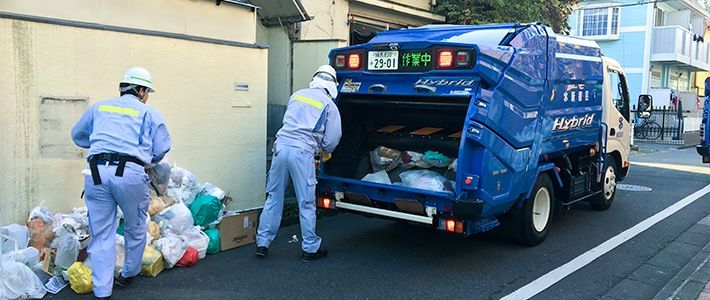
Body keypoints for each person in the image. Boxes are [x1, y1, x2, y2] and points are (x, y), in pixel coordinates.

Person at [71, 67, 171, 299]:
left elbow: (77, 135)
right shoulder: (149, 113)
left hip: (96, 172)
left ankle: (102, 290)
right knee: (135, 226)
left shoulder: (99, 107)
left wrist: (101, 146)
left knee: (101, 232)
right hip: (130, 173)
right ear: (141, 90)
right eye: (147, 92)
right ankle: (128, 273)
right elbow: (162, 147)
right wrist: (148, 158)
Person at [256, 65, 342, 261]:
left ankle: (262, 243)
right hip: (302, 154)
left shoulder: (297, 95)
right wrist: (324, 150)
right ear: (332, 86)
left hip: (280, 148)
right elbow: (332, 140)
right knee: (306, 201)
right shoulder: (329, 105)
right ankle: (310, 248)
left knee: (273, 197)